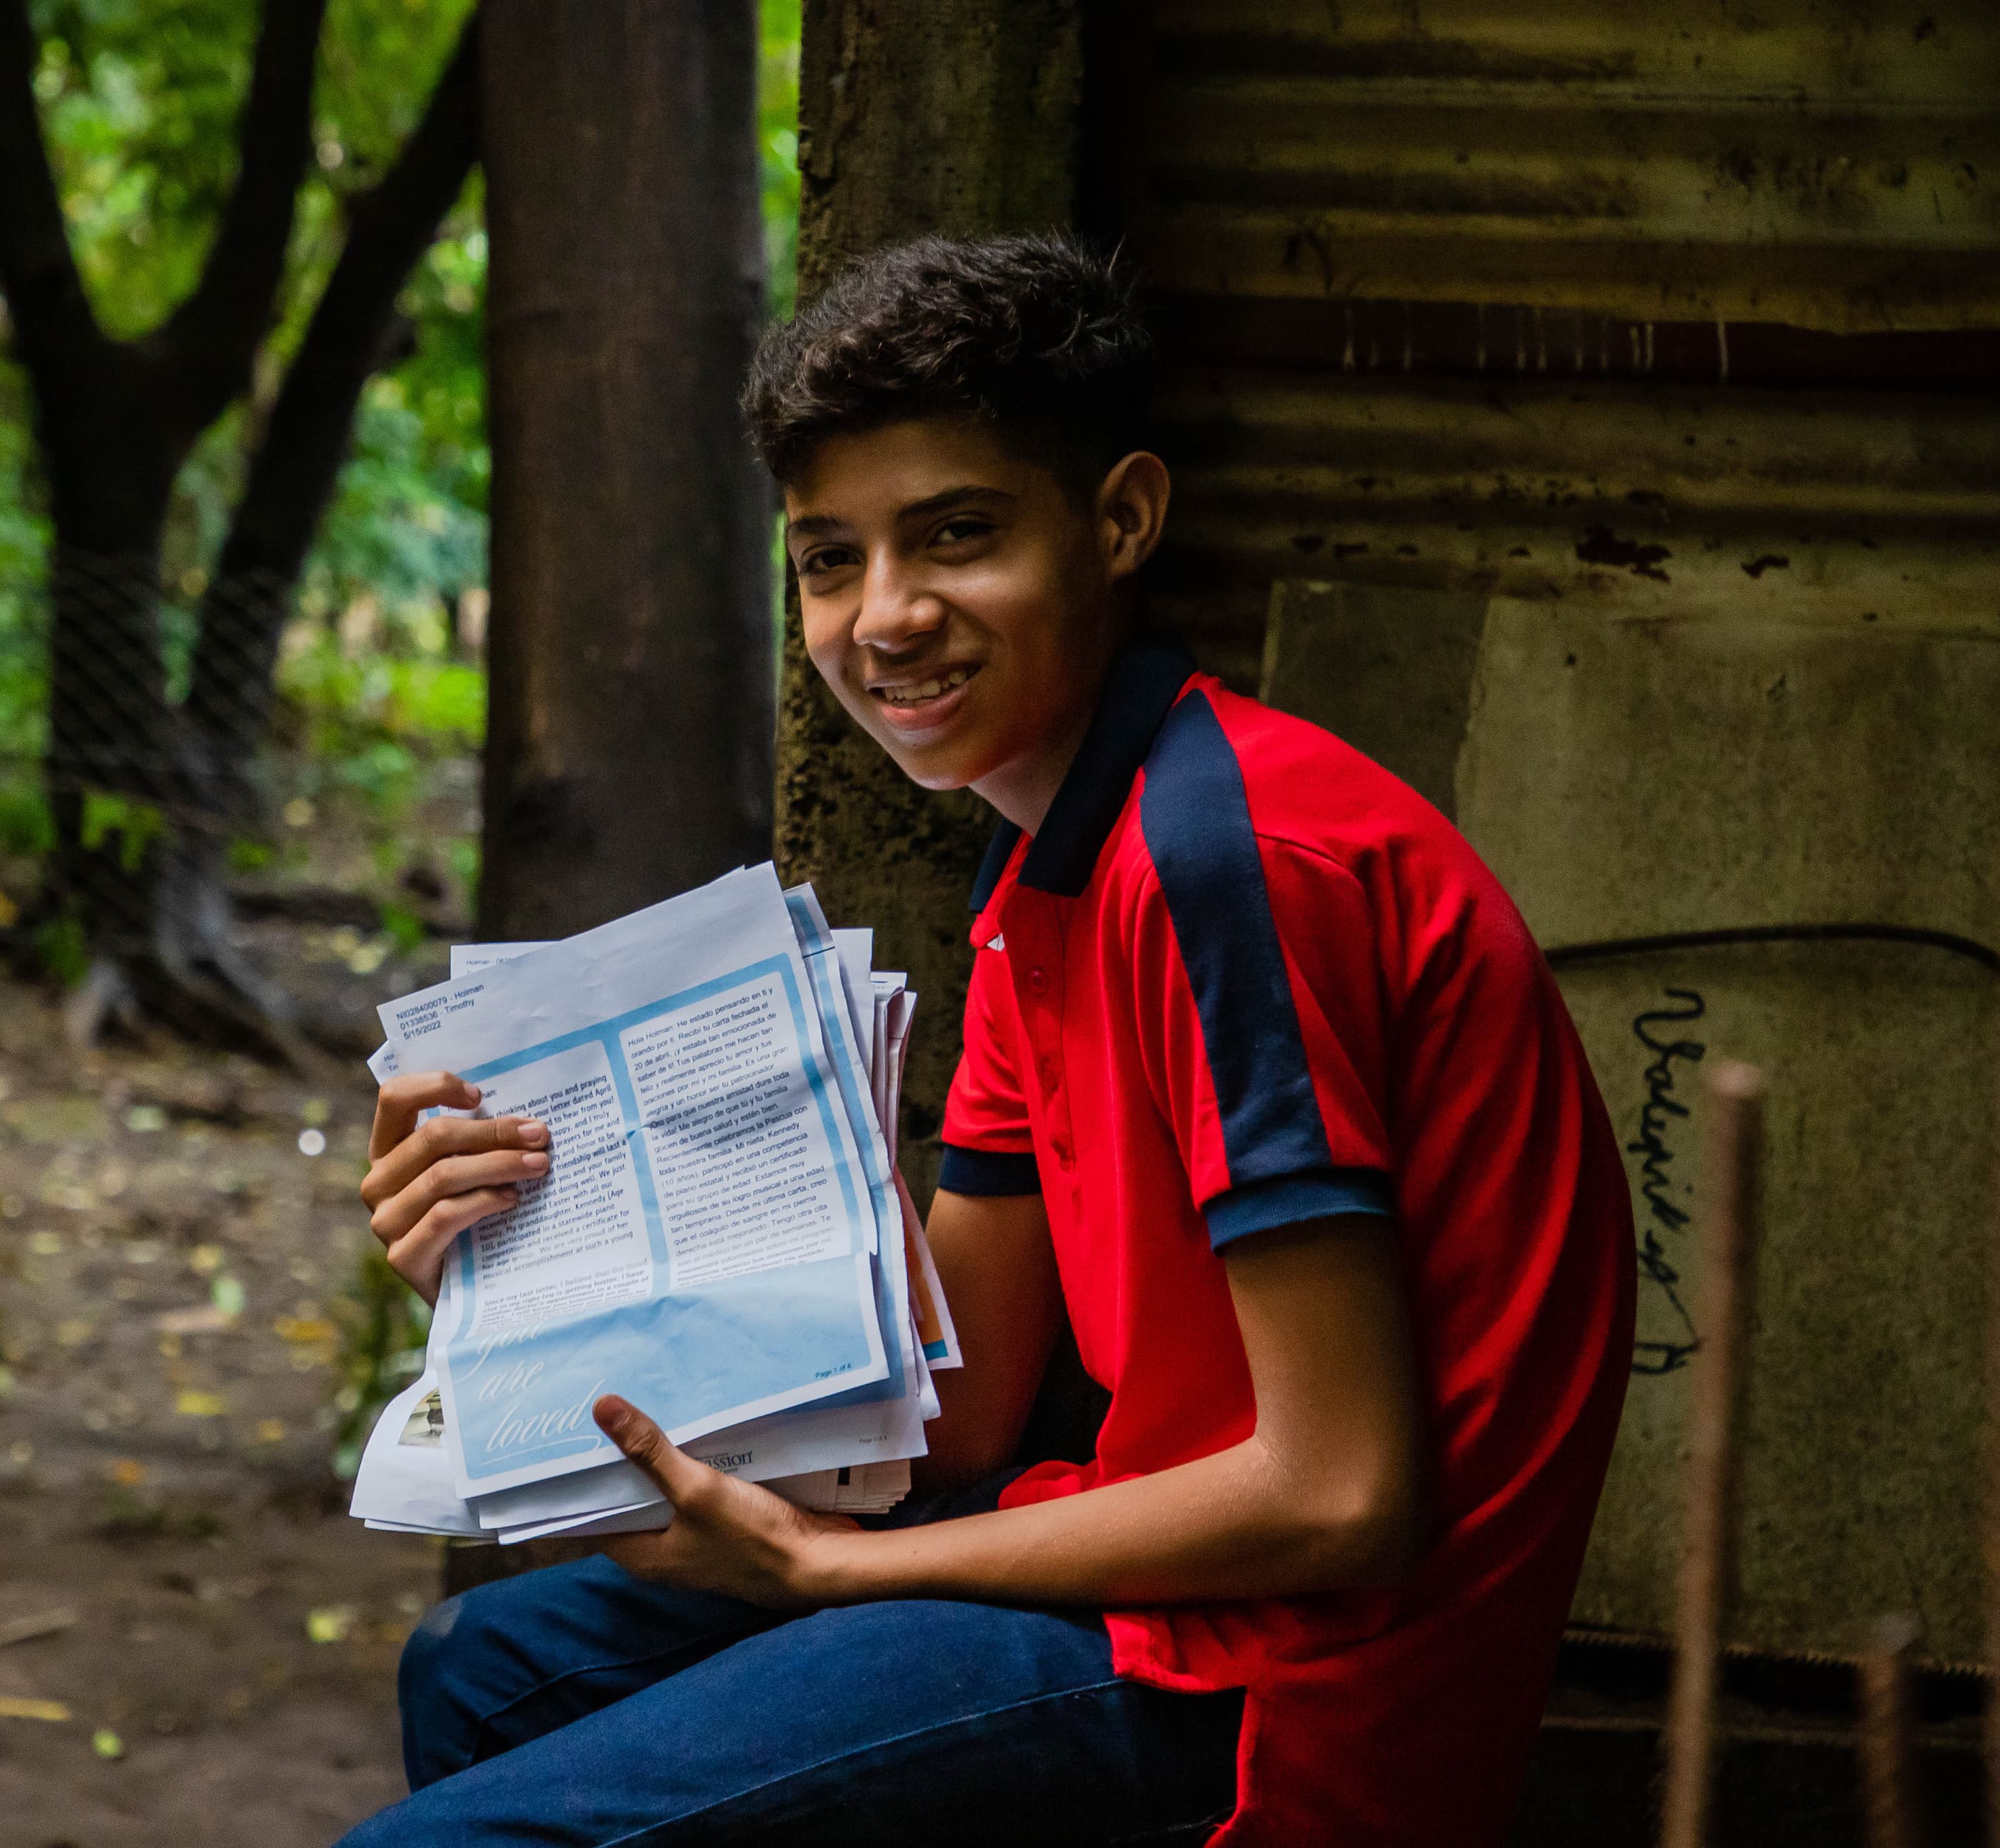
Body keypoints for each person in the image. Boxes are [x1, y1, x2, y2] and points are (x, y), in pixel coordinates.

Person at [339, 233, 1635, 1847]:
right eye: (830, 559)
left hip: (1281, 1686)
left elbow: (1340, 1490)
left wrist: (837, 1570)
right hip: (1142, 1573)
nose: (885, 617)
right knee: (485, 1665)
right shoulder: (1046, 869)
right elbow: (953, 1407)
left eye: (956, 535)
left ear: (1121, 520)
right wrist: (511, 1275)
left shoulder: (1230, 864)